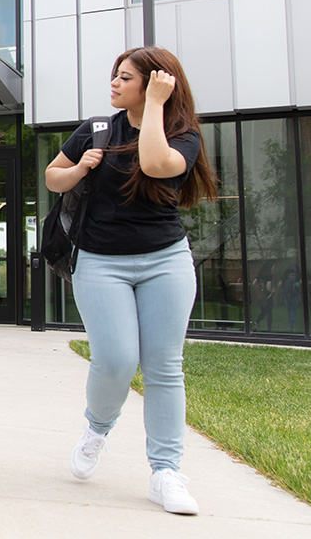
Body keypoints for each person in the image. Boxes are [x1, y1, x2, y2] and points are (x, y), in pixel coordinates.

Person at [45, 46, 217, 515]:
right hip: (101, 262)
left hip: (165, 261)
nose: (114, 84)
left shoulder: (181, 134)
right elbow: (52, 177)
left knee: (164, 366)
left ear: (154, 84)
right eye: (114, 76)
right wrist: (81, 167)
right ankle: (96, 429)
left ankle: (166, 471)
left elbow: (157, 166)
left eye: (124, 77)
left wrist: (157, 108)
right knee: (117, 359)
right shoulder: (97, 129)